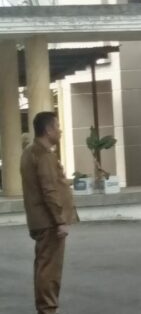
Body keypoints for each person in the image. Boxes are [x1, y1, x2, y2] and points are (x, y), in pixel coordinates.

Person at [21, 111, 78, 314]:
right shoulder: (43, 154)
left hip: (41, 220)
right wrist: (60, 220)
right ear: (48, 130)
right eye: (57, 126)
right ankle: (48, 309)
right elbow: (49, 189)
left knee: (43, 266)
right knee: (50, 269)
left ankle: (45, 308)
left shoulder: (30, 151)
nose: (60, 131)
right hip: (49, 222)